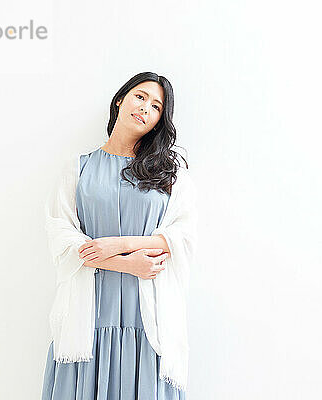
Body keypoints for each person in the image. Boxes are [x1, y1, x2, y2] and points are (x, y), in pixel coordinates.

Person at [41, 72, 194, 399]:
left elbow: (181, 237)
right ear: (120, 100)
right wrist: (127, 264)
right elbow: (61, 237)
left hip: (148, 324)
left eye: (156, 107)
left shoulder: (168, 174)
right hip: (88, 319)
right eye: (140, 97)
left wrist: (120, 244)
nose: (146, 109)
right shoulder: (78, 168)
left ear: (158, 121)